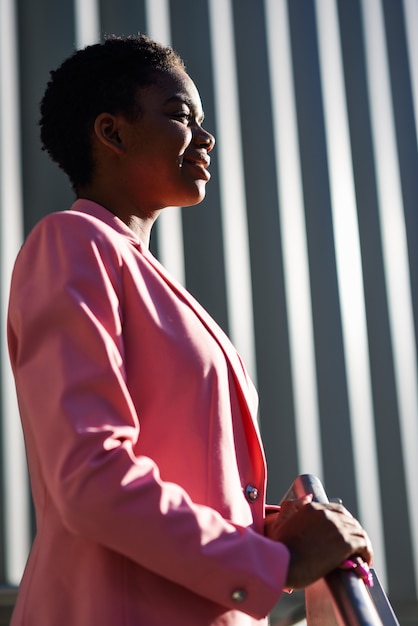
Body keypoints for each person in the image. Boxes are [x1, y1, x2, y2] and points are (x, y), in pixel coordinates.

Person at [7, 35, 372, 626]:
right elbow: (91, 474)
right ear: (112, 132)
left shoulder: (141, 273)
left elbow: (191, 476)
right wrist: (272, 562)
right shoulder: (73, 245)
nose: (205, 138)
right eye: (180, 116)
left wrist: (277, 529)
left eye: (203, 121)